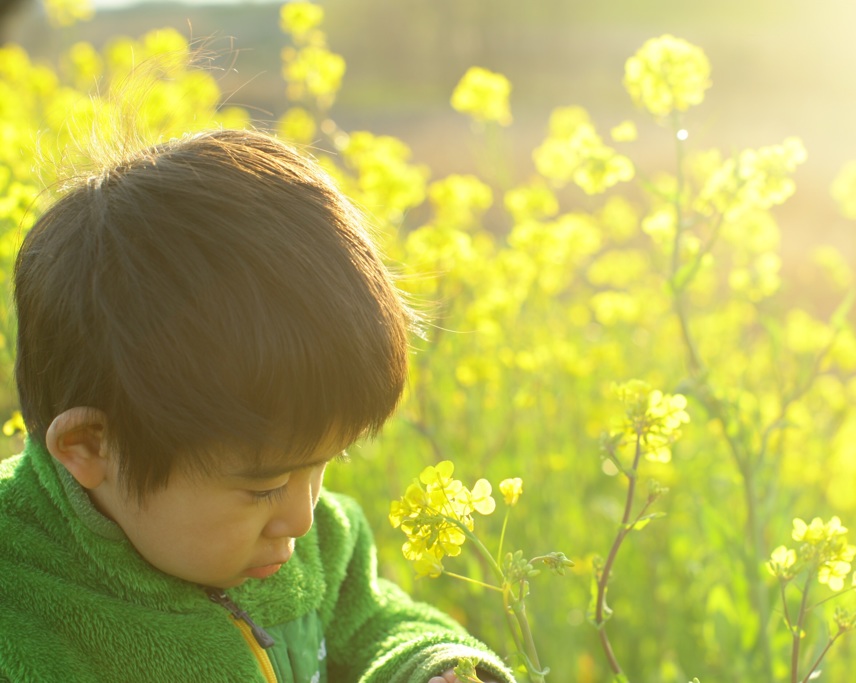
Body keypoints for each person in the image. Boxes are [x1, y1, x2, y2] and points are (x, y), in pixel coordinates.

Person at [0, 129, 512, 683]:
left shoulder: (317, 542)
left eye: (323, 465)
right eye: (265, 486)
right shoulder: (22, 610)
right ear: (92, 447)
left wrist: (431, 668)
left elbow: (377, 624)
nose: (302, 516)